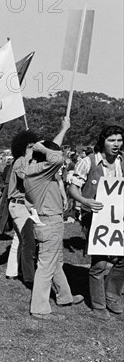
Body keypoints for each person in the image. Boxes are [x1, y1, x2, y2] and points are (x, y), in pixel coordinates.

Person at [24, 117, 84, 320]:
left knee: (55, 262)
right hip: (49, 222)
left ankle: (64, 296)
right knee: (46, 265)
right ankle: (40, 308)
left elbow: (53, 152)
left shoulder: (34, 168)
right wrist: (41, 146)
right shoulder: (40, 172)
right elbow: (57, 158)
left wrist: (64, 129)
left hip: (49, 221)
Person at [68, 125, 124, 320]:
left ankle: (112, 295)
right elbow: (73, 188)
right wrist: (85, 201)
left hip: (117, 219)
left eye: (119, 140)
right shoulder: (88, 162)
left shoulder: (122, 162)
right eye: (111, 140)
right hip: (94, 218)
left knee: (122, 260)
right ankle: (99, 304)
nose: (116, 144)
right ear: (103, 141)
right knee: (99, 263)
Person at [3, 131, 39, 285]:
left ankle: (12, 271)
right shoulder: (20, 161)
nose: (33, 149)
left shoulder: (28, 161)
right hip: (19, 205)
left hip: (21, 205)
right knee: (28, 242)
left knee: (18, 240)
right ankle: (29, 276)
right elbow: (26, 179)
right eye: (30, 147)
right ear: (22, 148)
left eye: (34, 146)